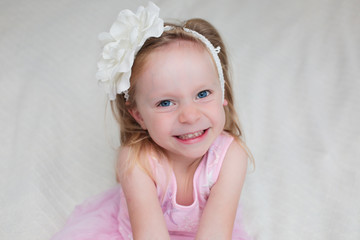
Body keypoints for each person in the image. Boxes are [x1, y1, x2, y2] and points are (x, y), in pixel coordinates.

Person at [52, 2, 252, 239]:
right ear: (138, 115)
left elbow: (216, 233)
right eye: (165, 103)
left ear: (224, 94)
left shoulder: (231, 155)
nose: (190, 116)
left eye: (202, 94)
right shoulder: (137, 159)